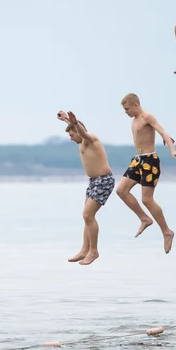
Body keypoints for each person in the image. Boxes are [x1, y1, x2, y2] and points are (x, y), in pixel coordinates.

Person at [116, 93, 176, 253]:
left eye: (127, 109)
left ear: (136, 105)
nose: (126, 112)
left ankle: (167, 232)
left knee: (147, 199)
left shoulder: (147, 117)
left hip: (149, 161)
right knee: (121, 191)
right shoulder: (133, 121)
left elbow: (163, 132)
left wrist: (172, 150)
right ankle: (144, 218)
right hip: (137, 160)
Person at [56, 111, 114, 265]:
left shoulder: (90, 139)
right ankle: (84, 249)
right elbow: (77, 130)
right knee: (87, 217)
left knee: (88, 215)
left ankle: (93, 251)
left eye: (72, 135)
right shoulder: (81, 142)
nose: (71, 138)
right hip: (94, 181)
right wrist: (67, 121)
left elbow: (82, 132)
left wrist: (75, 124)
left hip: (103, 181)